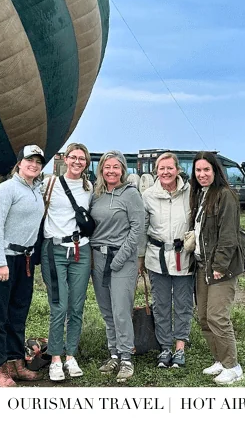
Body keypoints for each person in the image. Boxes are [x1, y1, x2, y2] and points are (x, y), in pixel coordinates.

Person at [0, 145, 47, 387]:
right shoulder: (4, 190)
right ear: (19, 163)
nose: (34, 165)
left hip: (24, 259)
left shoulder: (36, 190)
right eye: (29, 160)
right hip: (1, 257)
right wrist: (0, 263)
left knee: (18, 313)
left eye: (38, 162)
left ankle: (17, 362)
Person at [89, 150, 146, 383]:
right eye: (107, 166)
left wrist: (121, 258)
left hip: (121, 258)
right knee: (107, 310)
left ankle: (126, 357)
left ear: (123, 169)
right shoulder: (97, 194)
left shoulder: (131, 194)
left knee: (121, 309)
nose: (111, 171)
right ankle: (113, 353)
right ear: (101, 169)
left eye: (116, 166)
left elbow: (137, 228)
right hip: (98, 258)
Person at [189, 151, 245, 385]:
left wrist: (220, 265)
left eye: (206, 170)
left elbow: (229, 235)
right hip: (202, 265)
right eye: (198, 170)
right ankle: (219, 360)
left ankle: (233, 366)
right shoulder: (200, 195)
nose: (202, 174)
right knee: (204, 316)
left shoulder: (225, 195)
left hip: (220, 267)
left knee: (217, 316)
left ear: (215, 171)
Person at [39, 143, 93, 382]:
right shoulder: (49, 184)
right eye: (73, 157)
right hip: (55, 250)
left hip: (81, 250)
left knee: (76, 307)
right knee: (59, 306)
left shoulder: (89, 188)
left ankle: (70, 355)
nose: (77, 162)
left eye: (82, 158)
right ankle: (55, 358)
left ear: (86, 163)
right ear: (65, 160)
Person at [140, 152, 193, 369]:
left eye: (170, 168)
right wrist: (140, 257)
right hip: (157, 257)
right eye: (162, 168)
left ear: (178, 170)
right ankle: (165, 347)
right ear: (156, 171)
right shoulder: (148, 195)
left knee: (183, 303)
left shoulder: (190, 193)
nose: (166, 172)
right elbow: (143, 227)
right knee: (161, 304)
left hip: (183, 257)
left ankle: (180, 347)